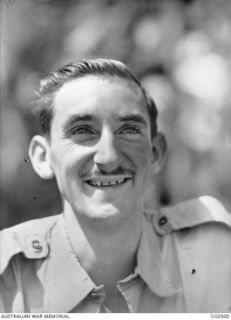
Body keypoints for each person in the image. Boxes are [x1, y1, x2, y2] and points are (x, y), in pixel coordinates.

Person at [0, 59, 231, 313]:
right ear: (43, 157)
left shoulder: (213, 257)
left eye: (129, 130)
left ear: (155, 153)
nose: (108, 157)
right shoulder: (9, 278)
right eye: (82, 130)